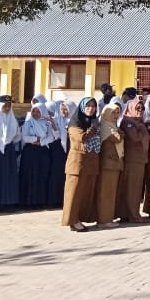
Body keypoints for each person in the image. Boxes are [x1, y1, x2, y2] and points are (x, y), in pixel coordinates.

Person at [61, 97, 100, 232]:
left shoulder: (92, 121)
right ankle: (72, 220)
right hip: (77, 164)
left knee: (83, 194)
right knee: (73, 194)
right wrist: (93, 128)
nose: (91, 108)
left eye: (93, 106)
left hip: (89, 164)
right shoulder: (75, 123)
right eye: (88, 106)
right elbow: (82, 138)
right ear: (82, 107)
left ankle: (78, 219)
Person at [117, 99, 150, 223]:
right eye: (137, 108)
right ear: (130, 108)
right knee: (132, 188)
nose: (140, 110)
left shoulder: (139, 122)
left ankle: (127, 213)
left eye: (142, 108)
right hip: (132, 160)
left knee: (134, 188)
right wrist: (142, 129)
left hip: (139, 159)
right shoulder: (128, 122)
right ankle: (133, 215)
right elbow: (135, 137)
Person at [96, 102, 123, 228]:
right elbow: (118, 138)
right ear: (106, 113)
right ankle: (104, 220)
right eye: (113, 113)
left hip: (114, 163)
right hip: (108, 164)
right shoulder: (106, 126)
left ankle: (108, 218)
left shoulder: (112, 126)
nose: (116, 115)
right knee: (106, 192)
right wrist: (120, 133)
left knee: (111, 192)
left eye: (117, 113)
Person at [19, 102, 51, 209]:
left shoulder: (47, 123)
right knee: (29, 176)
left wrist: (41, 142)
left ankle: (39, 201)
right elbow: (24, 137)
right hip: (30, 152)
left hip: (42, 152)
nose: (35, 114)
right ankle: (28, 202)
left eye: (38, 111)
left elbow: (51, 137)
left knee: (41, 175)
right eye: (34, 111)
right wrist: (35, 139)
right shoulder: (28, 123)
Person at [46, 101, 73, 209]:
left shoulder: (74, 121)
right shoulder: (57, 119)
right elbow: (56, 135)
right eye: (62, 109)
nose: (63, 111)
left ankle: (66, 200)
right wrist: (53, 123)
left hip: (71, 149)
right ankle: (55, 200)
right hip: (59, 150)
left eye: (66, 109)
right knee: (57, 175)